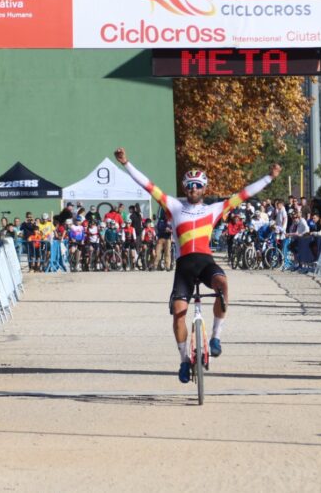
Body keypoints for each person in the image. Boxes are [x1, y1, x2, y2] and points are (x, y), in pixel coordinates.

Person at [115, 146, 280, 384]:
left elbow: (243, 194)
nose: (193, 189)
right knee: (178, 316)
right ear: (185, 188)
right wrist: (126, 163)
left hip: (204, 263)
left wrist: (269, 177)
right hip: (184, 267)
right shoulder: (173, 206)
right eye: (189, 185)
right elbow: (148, 186)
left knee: (222, 285)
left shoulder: (214, 209)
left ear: (204, 188)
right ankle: (183, 360)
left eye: (198, 185)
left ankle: (215, 337)